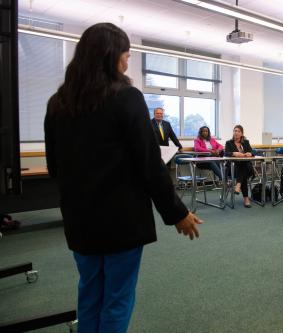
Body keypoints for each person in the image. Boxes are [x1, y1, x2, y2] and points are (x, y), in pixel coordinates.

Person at [44, 23, 202, 333]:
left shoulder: (57, 103)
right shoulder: (126, 97)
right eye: (127, 55)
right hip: (121, 219)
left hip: (79, 218)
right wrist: (177, 213)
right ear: (113, 56)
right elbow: (149, 164)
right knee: (117, 298)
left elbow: (54, 166)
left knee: (89, 293)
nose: (127, 62)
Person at [225, 125, 254, 208]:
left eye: (238, 131)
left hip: (246, 168)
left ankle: (238, 185)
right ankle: (246, 199)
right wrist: (234, 153)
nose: (236, 132)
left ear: (242, 133)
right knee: (243, 172)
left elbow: (252, 152)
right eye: (235, 131)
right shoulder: (229, 143)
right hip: (233, 168)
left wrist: (250, 154)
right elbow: (226, 153)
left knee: (243, 165)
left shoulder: (246, 142)